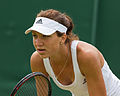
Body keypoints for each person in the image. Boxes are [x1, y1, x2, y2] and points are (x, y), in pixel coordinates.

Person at [25, 9, 120, 96]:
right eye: (34, 36)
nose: (38, 43)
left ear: (62, 38)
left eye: (45, 36)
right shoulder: (37, 60)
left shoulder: (86, 56)